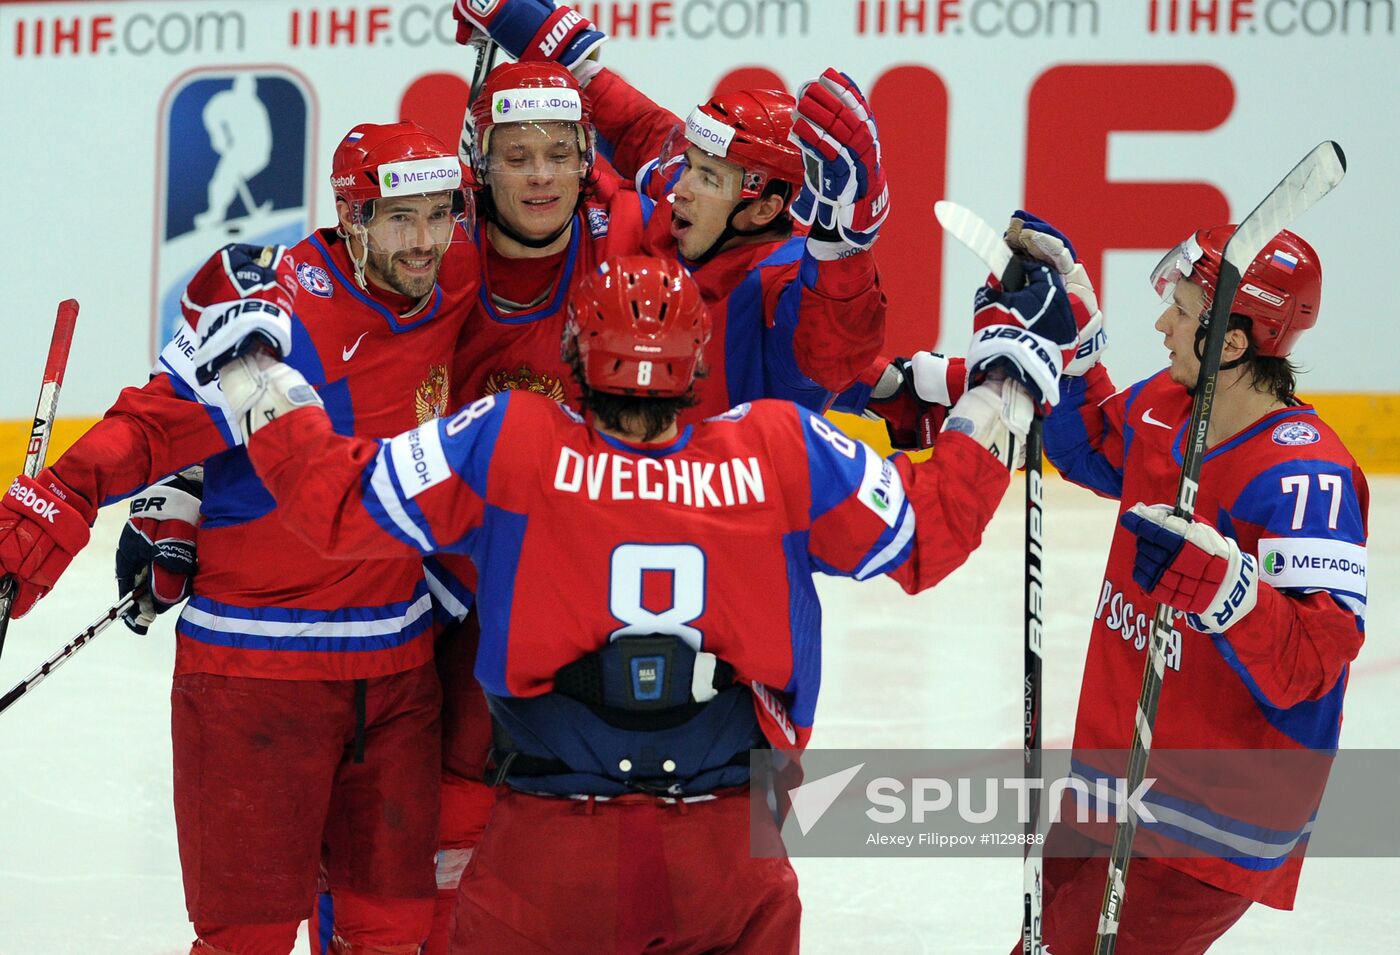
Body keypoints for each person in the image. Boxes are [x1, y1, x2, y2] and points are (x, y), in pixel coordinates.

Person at [179, 252, 1076, 953]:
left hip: (547, 857)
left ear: (575, 354)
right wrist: (1005, 382)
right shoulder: (781, 446)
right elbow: (930, 536)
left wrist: (253, 363)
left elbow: (335, 501)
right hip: (733, 855)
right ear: (695, 364)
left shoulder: (511, 440)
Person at [0, 122, 479, 955]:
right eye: (402, 218)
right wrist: (49, 513)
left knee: (392, 929)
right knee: (247, 937)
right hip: (256, 676)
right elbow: (151, 427)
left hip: (399, 673)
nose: (426, 240)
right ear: (351, 213)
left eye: (441, 215)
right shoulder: (277, 303)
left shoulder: (457, 281)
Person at [1019, 219, 1368, 952]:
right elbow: (1087, 447)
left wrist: (1228, 591)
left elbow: (1308, 666)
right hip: (1114, 780)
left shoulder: (1305, 479)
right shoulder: (1167, 406)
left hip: (1207, 819)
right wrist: (1072, 345)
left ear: (1232, 344)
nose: (1161, 323)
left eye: (1180, 310)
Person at [452, 1, 889, 414]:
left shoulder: (776, 274)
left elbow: (827, 351)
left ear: (762, 209)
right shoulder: (692, 214)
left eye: (706, 176)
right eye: (515, 158)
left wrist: (842, 245)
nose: (677, 187)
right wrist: (572, 65)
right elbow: (638, 131)